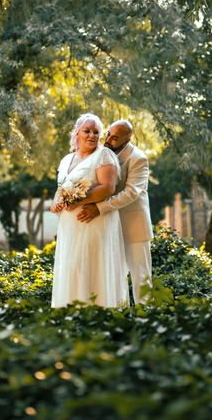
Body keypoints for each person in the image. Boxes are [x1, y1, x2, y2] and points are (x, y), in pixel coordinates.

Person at [50, 113, 129, 308]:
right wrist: (57, 203)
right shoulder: (66, 160)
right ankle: (70, 310)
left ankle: (97, 311)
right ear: (77, 133)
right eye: (87, 131)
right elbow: (61, 188)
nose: (92, 136)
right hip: (69, 227)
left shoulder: (103, 155)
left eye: (96, 132)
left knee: (90, 264)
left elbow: (107, 187)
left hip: (94, 224)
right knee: (72, 266)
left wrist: (79, 201)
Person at [76, 120, 153, 304]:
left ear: (128, 139)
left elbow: (131, 193)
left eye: (115, 137)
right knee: (113, 277)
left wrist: (99, 208)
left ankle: (147, 319)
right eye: (108, 134)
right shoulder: (100, 154)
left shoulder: (138, 158)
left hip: (133, 227)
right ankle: (120, 316)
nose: (108, 139)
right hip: (107, 227)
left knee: (141, 277)